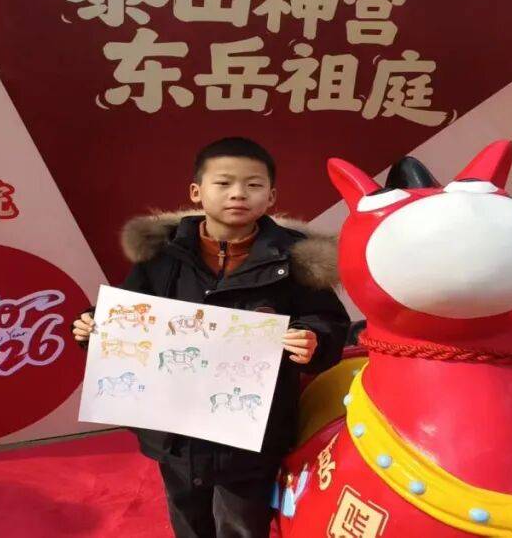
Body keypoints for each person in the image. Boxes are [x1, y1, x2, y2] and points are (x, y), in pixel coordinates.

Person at [72, 137, 349, 538]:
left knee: (242, 522)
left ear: (271, 196)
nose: (238, 193)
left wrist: (313, 339)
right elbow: (132, 311)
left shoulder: (296, 260)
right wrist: (93, 325)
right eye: (223, 183)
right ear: (196, 192)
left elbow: (328, 321)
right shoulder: (162, 256)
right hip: (173, 425)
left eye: (253, 185)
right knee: (187, 515)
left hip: (252, 428)